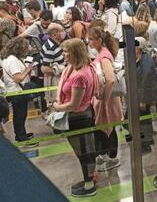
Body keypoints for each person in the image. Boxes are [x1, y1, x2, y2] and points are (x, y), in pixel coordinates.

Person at [51, 38, 97, 197]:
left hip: (78, 117)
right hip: (81, 114)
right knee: (84, 150)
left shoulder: (79, 76)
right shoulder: (82, 67)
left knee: (84, 151)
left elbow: (73, 105)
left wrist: (56, 107)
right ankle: (88, 179)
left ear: (75, 53)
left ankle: (89, 183)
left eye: (66, 52)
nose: (63, 54)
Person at [88, 26, 122, 172]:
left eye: (91, 39)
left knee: (108, 128)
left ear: (98, 40)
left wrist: (104, 99)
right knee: (103, 128)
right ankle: (105, 154)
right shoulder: (101, 54)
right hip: (103, 98)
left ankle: (112, 157)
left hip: (106, 100)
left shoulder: (104, 55)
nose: (89, 42)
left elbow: (110, 79)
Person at [1, 36, 36, 144]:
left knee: (19, 114)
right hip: (16, 91)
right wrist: (28, 69)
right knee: (20, 114)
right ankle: (20, 135)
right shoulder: (13, 60)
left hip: (15, 90)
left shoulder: (9, 58)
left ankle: (21, 133)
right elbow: (18, 78)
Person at [134, 37, 157, 154]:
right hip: (139, 95)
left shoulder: (146, 61)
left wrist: (143, 100)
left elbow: (146, 81)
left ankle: (146, 142)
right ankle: (144, 139)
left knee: (144, 119)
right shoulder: (139, 58)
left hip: (144, 96)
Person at [41, 23, 66, 105]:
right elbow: (45, 69)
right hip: (54, 81)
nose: (64, 32)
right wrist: (62, 69)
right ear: (55, 34)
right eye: (62, 31)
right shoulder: (50, 48)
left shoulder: (56, 43)